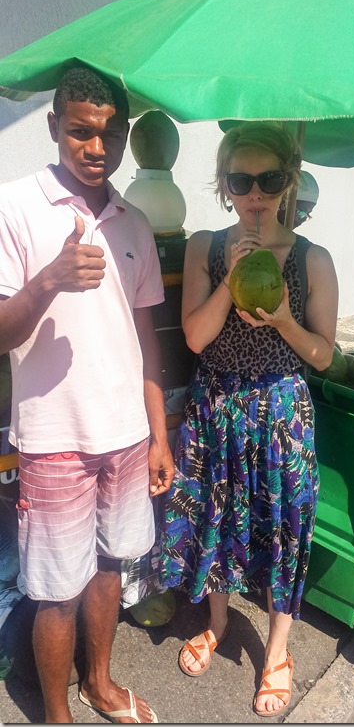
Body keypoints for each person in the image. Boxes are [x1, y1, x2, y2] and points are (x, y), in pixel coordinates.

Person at [0, 66, 174, 724]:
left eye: (109, 134)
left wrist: (158, 434)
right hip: (54, 440)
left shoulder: (133, 224)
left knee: (110, 568)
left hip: (126, 435)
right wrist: (48, 280)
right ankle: (56, 714)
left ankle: (100, 684)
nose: (95, 148)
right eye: (79, 132)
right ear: (54, 128)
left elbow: (145, 340)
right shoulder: (14, 207)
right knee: (55, 593)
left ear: (126, 135)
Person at [159, 122, 338, 717]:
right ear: (224, 184)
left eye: (269, 180)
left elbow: (324, 355)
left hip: (280, 414)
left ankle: (279, 649)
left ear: (288, 182)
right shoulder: (206, 246)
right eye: (241, 180)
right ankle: (217, 620)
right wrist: (228, 282)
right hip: (217, 409)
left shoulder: (314, 260)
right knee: (216, 518)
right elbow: (195, 335)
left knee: (281, 528)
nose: (255, 194)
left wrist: (285, 320)